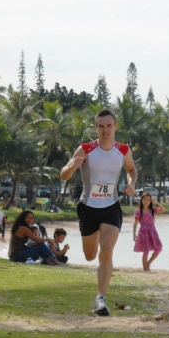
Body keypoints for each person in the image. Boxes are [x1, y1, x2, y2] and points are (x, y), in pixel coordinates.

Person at [60, 108, 137, 316]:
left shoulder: (123, 150)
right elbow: (64, 175)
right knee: (90, 255)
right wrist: (73, 166)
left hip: (111, 206)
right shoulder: (85, 149)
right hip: (88, 208)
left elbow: (131, 170)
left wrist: (131, 184)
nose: (105, 130)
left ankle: (100, 298)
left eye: (109, 126)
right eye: (101, 126)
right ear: (96, 128)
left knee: (108, 248)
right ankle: (99, 294)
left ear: (115, 126)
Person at [132, 193, 166, 271]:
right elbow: (135, 224)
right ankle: (145, 269)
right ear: (141, 200)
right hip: (144, 233)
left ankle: (149, 263)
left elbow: (163, 209)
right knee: (146, 250)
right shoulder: (138, 211)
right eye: (145, 199)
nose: (146, 201)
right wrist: (134, 235)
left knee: (159, 248)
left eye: (148, 200)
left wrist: (156, 202)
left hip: (152, 232)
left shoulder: (152, 210)